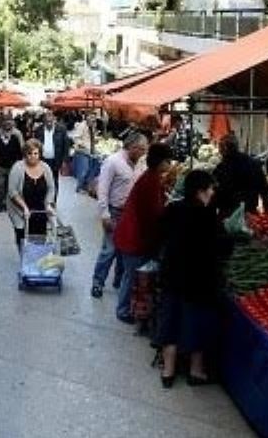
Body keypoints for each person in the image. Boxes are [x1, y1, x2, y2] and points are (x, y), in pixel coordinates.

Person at [155, 169, 234, 388]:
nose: (212, 192)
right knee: (196, 323)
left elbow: (160, 234)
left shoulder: (173, 208)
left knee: (170, 320)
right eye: (210, 188)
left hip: (172, 276)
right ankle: (195, 371)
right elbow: (223, 247)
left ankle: (168, 372)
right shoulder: (208, 216)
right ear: (201, 191)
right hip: (198, 281)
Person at [112, 142, 172, 324]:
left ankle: (126, 307)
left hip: (130, 234)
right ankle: (122, 310)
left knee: (128, 275)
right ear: (161, 162)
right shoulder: (151, 181)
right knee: (130, 276)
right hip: (134, 237)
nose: (169, 164)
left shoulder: (151, 177)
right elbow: (153, 214)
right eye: (168, 160)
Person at [91, 133, 148, 300]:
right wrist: (105, 214)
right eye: (141, 149)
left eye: (145, 150)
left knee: (126, 250)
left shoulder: (140, 164)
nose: (143, 153)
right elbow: (102, 189)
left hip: (131, 214)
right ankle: (97, 282)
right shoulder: (113, 161)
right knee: (109, 250)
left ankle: (118, 281)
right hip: (114, 211)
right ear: (131, 147)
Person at [6, 139, 56, 252]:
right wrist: (24, 207)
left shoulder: (46, 167)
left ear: (40, 154)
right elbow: (12, 191)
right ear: (25, 154)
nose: (32, 156)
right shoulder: (18, 168)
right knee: (22, 237)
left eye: (36, 153)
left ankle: (37, 261)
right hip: (20, 209)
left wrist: (48, 204)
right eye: (29, 153)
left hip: (40, 208)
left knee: (40, 237)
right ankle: (25, 261)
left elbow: (51, 188)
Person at [212, 132, 268, 217]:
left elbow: (215, 192)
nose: (219, 151)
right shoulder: (253, 163)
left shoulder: (222, 168)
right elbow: (265, 190)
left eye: (220, 148)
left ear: (225, 148)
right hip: (250, 213)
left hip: (228, 215)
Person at [34, 110, 72, 203]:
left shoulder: (61, 129)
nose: (49, 123)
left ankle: (53, 201)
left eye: (51, 121)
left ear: (54, 120)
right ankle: (43, 200)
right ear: (44, 121)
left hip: (56, 160)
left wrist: (65, 161)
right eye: (47, 122)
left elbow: (66, 146)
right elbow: (35, 145)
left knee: (54, 181)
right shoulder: (38, 130)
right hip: (42, 160)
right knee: (42, 181)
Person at [0, 117, 24, 213]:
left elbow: (20, 151)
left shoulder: (16, 137)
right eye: (5, 124)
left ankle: (9, 204)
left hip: (12, 166)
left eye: (9, 124)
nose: (7, 127)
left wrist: (19, 164)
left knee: (11, 186)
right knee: (0, 186)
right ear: (2, 127)